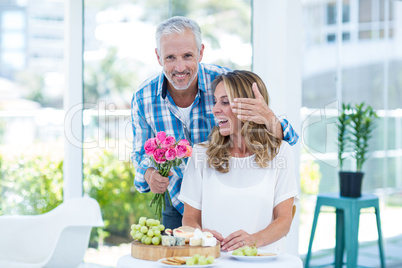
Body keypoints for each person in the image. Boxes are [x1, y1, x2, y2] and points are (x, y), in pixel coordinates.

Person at [131, 16, 299, 229]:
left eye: (188, 55)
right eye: (171, 57)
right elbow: (139, 154)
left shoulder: (223, 82)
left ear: (201, 52)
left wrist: (269, 119)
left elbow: (287, 139)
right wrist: (149, 174)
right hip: (177, 201)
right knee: (181, 260)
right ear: (158, 56)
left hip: (225, 197)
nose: (180, 67)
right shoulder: (143, 97)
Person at [179, 70, 299, 252]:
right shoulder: (201, 154)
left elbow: (284, 221)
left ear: (251, 107)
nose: (215, 109)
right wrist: (202, 236)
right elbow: (189, 219)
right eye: (215, 101)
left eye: (225, 102)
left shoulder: (280, 152)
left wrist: (252, 240)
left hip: (263, 262)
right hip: (216, 261)